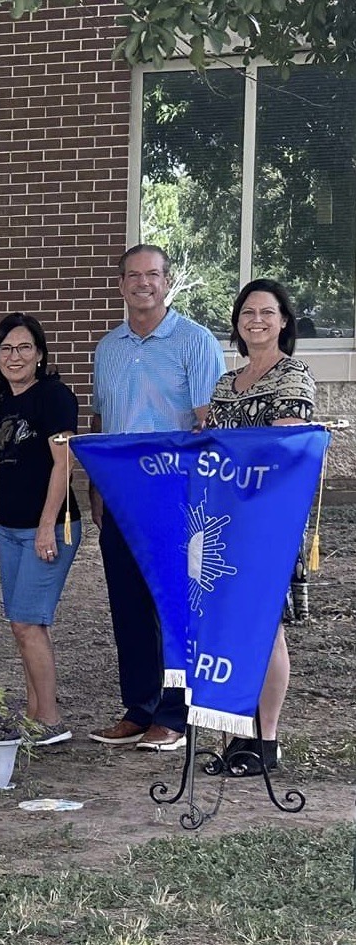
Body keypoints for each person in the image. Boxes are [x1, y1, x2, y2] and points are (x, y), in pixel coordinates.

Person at [89, 244, 224, 752]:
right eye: (132, 275)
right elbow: (101, 423)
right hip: (122, 495)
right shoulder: (108, 349)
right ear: (120, 285)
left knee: (172, 604)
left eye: (153, 275)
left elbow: (207, 423)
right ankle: (138, 707)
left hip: (176, 494)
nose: (142, 283)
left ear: (167, 282)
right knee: (127, 604)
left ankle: (174, 714)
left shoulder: (194, 341)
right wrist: (96, 486)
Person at [203, 278, 314, 777]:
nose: (257, 321)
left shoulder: (295, 376)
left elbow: (284, 451)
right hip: (223, 521)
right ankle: (233, 736)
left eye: (267, 312)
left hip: (269, 522)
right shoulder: (226, 384)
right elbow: (210, 450)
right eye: (248, 312)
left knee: (264, 630)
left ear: (283, 321)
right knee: (228, 631)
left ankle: (264, 740)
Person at [0, 313, 80, 746]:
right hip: (9, 529)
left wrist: (46, 527)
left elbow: (63, 466)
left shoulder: (54, 397)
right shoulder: (1, 401)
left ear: (40, 354)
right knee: (21, 624)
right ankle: (32, 714)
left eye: (24, 347)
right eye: (6, 348)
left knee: (29, 622)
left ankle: (50, 721)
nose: (15, 356)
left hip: (48, 527)